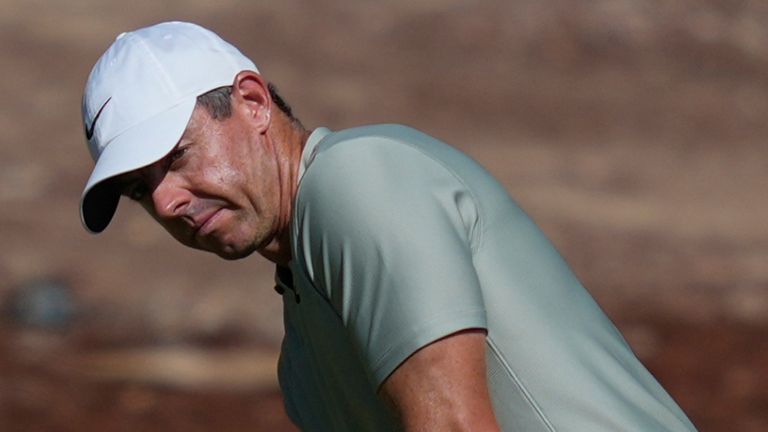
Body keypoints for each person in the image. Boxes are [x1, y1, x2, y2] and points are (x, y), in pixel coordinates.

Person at [79, 21, 697, 431]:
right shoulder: (300, 361)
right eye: (140, 189)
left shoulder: (356, 179)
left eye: (177, 157)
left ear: (253, 101)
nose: (163, 204)